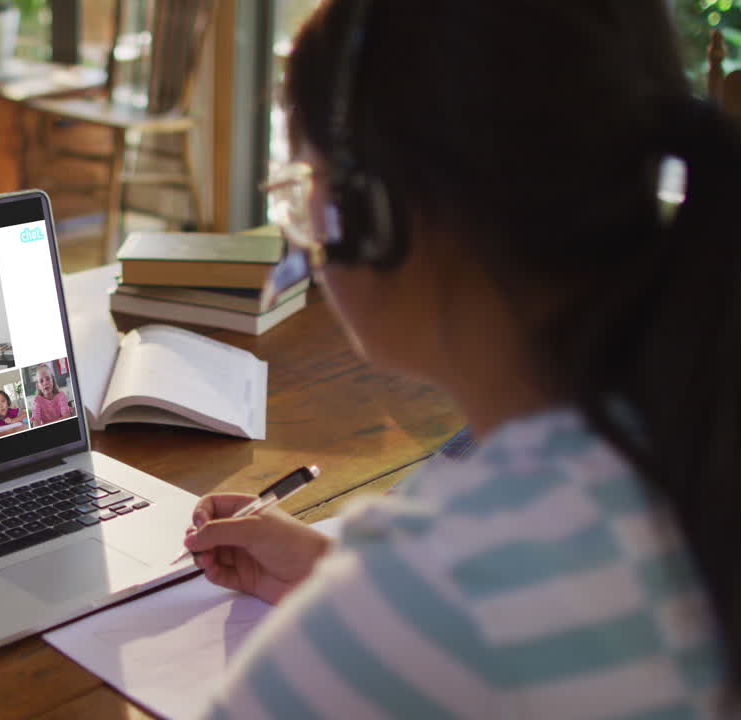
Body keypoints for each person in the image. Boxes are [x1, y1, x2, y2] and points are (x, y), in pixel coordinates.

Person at [182, 2, 737, 716]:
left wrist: (379, 613)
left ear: (377, 211)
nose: (307, 236)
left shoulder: (439, 591)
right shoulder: (687, 439)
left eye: (303, 186)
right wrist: (341, 579)